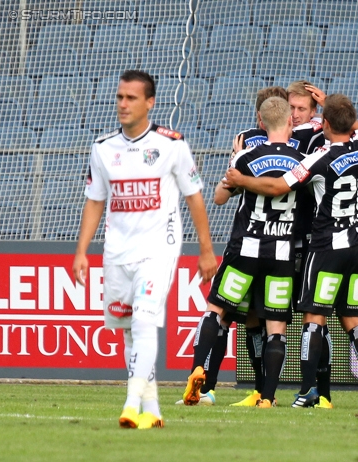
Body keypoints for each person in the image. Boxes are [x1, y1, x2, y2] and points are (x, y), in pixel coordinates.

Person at [72, 70, 218, 429]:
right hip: (116, 252)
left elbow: (194, 197)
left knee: (144, 320)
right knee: (126, 330)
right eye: (120, 97)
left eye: (131, 98)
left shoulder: (171, 145)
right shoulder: (103, 148)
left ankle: (131, 401)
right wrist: (81, 251)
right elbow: (95, 202)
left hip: (159, 249)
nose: (123, 104)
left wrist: (205, 249)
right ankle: (152, 409)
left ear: (150, 102)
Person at [224, 93, 358, 410]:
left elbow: (278, 187)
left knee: (314, 316)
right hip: (357, 244)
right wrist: (333, 104)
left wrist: (242, 178)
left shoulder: (319, 158)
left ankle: (308, 390)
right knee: (352, 316)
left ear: (323, 123)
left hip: (326, 247)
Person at [181, 96, 305, 408]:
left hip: (246, 247)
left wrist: (237, 164)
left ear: (261, 123)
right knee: (276, 326)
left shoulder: (247, 156)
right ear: (290, 122)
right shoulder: (303, 161)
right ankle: (268, 397)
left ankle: (198, 369)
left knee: (216, 310)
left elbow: (221, 196)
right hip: (281, 252)